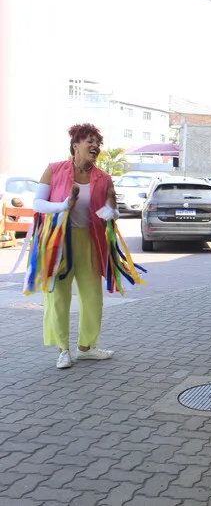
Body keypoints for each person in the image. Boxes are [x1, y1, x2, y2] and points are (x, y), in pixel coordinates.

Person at [33, 124, 119, 369]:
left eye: (98, 143)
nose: (95, 146)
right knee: (59, 296)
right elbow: (38, 203)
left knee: (92, 296)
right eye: (90, 141)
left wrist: (112, 210)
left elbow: (112, 212)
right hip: (59, 243)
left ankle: (86, 347)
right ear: (75, 145)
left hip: (90, 242)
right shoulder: (54, 170)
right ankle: (63, 350)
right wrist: (63, 205)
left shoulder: (103, 178)